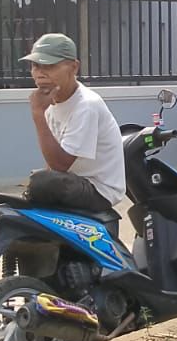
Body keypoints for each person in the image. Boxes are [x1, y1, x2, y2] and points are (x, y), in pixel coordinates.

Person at [20, 33, 125, 214]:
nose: (40, 74)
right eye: (35, 66)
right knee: (39, 181)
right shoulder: (52, 102)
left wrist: (38, 114)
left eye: (49, 66)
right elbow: (53, 164)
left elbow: (60, 165)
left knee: (42, 182)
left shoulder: (86, 105)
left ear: (74, 67)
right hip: (73, 180)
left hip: (99, 190)